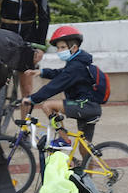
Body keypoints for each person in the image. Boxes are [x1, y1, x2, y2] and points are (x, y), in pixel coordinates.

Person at [25, 25, 99, 167]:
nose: (59, 51)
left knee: (47, 105)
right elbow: (62, 74)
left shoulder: (76, 66)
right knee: (84, 149)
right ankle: (90, 180)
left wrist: (32, 99)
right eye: (58, 48)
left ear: (74, 48)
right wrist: (42, 72)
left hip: (83, 105)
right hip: (90, 107)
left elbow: (56, 85)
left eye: (62, 47)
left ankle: (64, 139)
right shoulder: (77, 63)